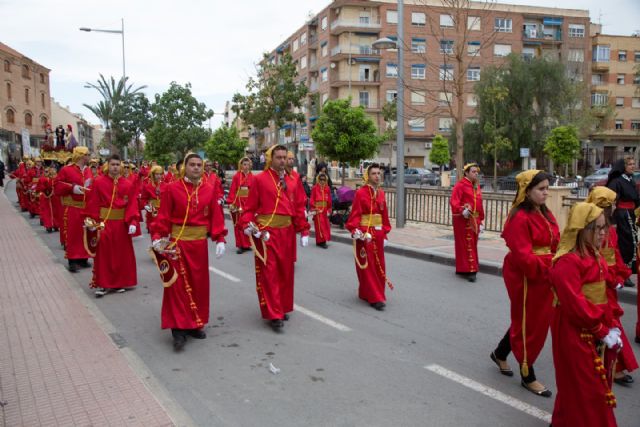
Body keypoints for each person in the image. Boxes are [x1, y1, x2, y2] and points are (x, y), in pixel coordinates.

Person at [490, 170, 560, 397]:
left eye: (547, 188)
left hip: (544, 274)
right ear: (526, 191)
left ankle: (500, 353)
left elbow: (555, 241)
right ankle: (527, 374)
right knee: (528, 321)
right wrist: (549, 268)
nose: (546, 193)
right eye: (541, 189)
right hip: (526, 276)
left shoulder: (545, 212)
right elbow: (523, 256)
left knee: (530, 319)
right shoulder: (519, 217)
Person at [550, 202, 619, 426]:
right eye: (596, 228)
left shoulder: (594, 255)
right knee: (589, 387)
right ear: (582, 229)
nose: (602, 233)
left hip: (593, 325)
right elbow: (574, 304)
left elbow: (604, 294)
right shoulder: (568, 262)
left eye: (604, 227)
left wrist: (611, 320)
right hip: (574, 329)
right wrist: (599, 329)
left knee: (579, 385)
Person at [151, 152, 227, 351]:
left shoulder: (209, 189)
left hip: (199, 246)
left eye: (199, 165)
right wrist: (158, 237)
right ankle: (178, 329)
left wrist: (220, 238)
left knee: (199, 285)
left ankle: (195, 323)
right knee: (177, 287)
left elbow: (216, 216)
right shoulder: (171, 188)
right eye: (192, 164)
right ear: (185, 167)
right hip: (177, 245)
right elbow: (163, 217)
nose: (196, 168)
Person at [239, 145, 310, 332]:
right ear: (270, 158)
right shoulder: (259, 179)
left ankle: (281, 307)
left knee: (285, 273)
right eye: (278, 157)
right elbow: (249, 208)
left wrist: (303, 229)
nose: (281, 160)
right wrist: (247, 225)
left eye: (284, 157)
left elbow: (299, 206)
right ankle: (274, 313)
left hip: (286, 232)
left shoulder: (293, 180)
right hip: (266, 233)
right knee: (269, 274)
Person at [586, 186, 638, 385]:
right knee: (608, 325)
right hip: (598, 285)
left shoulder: (610, 231)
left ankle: (614, 365)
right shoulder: (589, 232)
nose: (615, 207)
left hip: (609, 284)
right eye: (611, 204)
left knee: (612, 325)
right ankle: (613, 367)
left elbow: (613, 256)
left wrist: (620, 275)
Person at [84, 155, 139, 297]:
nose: (115, 167)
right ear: (108, 165)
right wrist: (91, 221)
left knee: (121, 254)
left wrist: (133, 221)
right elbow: (93, 203)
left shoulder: (127, 184)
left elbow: (132, 204)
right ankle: (103, 284)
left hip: (121, 224)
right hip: (104, 223)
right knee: (103, 253)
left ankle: (118, 283)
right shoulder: (98, 182)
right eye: (112, 164)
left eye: (117, 164)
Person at [345, 164, 393, 311]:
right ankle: (375, 297)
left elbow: (384, 216)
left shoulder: (381, 193)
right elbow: (355, 215)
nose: (377, 176)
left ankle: (370, 292)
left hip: (378, 234)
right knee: (368, 265)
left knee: (380, 266)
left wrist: (385, 233)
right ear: (368, 175)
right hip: (365, 234)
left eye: (379, 173)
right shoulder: (360, 193)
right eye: (374, 173)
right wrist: (357, 231)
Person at [54, 146, 93, 272]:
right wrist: (72, 188)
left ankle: (83, 258)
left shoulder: (88, 170)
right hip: (73, 207)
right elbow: (57, 185)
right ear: (81, 156)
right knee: (72, 234)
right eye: (87, 154)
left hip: (85, 207)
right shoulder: (66, 170)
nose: (89, 156)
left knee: (85, 233)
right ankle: (72, 260)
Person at [606, 156, 639, 288]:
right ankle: (624, 275)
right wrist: (613, 220)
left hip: (630, 215)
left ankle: (629, 272)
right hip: (621, 216)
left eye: (633, 164)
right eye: (630, 164)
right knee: (624, 244)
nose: (633, 166)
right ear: (623, 167)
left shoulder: (631, 180)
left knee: (632, 244)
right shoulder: (616, 182)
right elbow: (611, 202)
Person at [450, 163, 485, 282]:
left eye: (477, 172)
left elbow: (479, 204)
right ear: (466, 173)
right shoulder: (460, 185)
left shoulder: (476, 186)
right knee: (466, 245)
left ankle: (462, 268)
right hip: (463, 219)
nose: (476, 174)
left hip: (474, 219)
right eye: (473, 172)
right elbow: (454, 201)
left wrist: (481, 220)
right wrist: (462, 210)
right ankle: (470, 270)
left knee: (472, 244)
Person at [226, 157, 255, 254]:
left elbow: (255, 191)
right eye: (244, 164)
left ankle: (247, 244)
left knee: (248, 225)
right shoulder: (236, 176)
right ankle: (240, 245)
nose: (246, 166)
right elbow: (233, 190)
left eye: (248, 164)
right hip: (239, 202)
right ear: (241, 165)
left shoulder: (253, 177)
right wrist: (232, 203)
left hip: (249, 202)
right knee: (238, 225)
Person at [309, 173, 332, 248]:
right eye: (321, 179)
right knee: (319, 226)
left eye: (324, 179)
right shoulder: (315, 188)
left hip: (325, 210)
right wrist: (315, 208)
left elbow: (329, 200)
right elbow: (312, 199)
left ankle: (322, 241)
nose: (322, 181)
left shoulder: (327, 188)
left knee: (325, 226)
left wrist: (329, 210)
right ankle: (321, 242)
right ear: (318, 179)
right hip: (317, 210)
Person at [141, 165, 165, 236]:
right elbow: (143, 199)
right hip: (152, 211)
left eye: (160, 174)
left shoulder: (166, 185)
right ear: (153, 174)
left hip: (163, 210)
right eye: (157, 174)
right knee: (154, 232)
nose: (159, 176)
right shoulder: (147, 186)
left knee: (163, 231)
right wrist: (145, 205)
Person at [37, 167, 58, 233]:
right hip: (46, 197)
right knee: (47, 211)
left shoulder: (53, 178)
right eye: (45, 171)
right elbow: (39, 187)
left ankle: (55, 225)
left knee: (54, 211)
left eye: (47, 171)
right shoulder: (43, 179)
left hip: (53, 197)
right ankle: (49, 225)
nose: (46, 173)